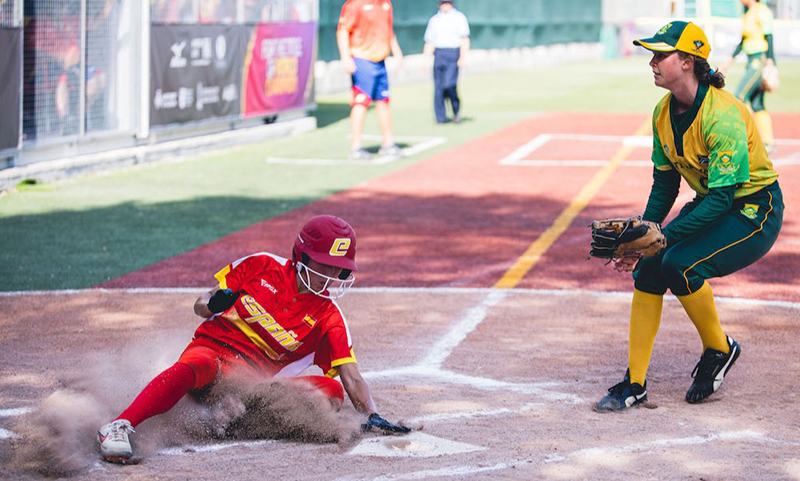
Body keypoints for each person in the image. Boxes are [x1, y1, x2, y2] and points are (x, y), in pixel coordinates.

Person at [97, 215, 410, 463]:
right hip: (214, 353)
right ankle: (119, 425)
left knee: (330, 390)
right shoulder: (261, 265)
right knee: (197, 363)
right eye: (326, 265)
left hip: (250, 384)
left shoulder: (329, 317)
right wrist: (213, 304)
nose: (333, 276)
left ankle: (224, 419)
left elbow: (352, 376)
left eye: (340, 270)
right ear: (301, 256)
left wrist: (371, 414)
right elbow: (201, 304)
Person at [596, 21, 783, 411]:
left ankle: (719, 348)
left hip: (754, 208)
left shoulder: (723, 115)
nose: (652, 61)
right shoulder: (662, 113)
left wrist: (661, 239)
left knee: (679, 262)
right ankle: (635, 383)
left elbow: (721, 199)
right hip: (715, 202)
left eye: (660, 54)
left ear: (687, 61)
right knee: (650, 269)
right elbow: (665, 187)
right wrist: (640, 237)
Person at [337, 0, 404, 160]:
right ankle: (356, 147)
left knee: (383, 100)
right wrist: (346, 57)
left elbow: (389, 31)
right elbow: (342, 31)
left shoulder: (385, 4)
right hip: (362, 59)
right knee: (361, 101)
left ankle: (388, 143)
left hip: (380, 60)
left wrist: (397, 52)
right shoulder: (355, 4)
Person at [720, 0, 777, 154]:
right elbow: (743, 40)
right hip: (751, 59)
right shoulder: (748, 12)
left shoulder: (761, 10)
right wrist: (730, 60)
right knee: (757, 102)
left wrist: (771, 60)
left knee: (740, 95)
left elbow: (768, 36)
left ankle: (742, 139)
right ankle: (768, 142)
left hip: (760, 59)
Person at [423, 0, 470, 124]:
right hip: (439, 54)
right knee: (438, 87)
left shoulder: (459, 18)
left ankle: (455, 110)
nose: (445, 5)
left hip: (453, 53)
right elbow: (429, 41)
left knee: (449, 85)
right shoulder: (434, 20)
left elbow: (464, 39)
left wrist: (463, 57)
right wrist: (425, 59)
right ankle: (440, 117)